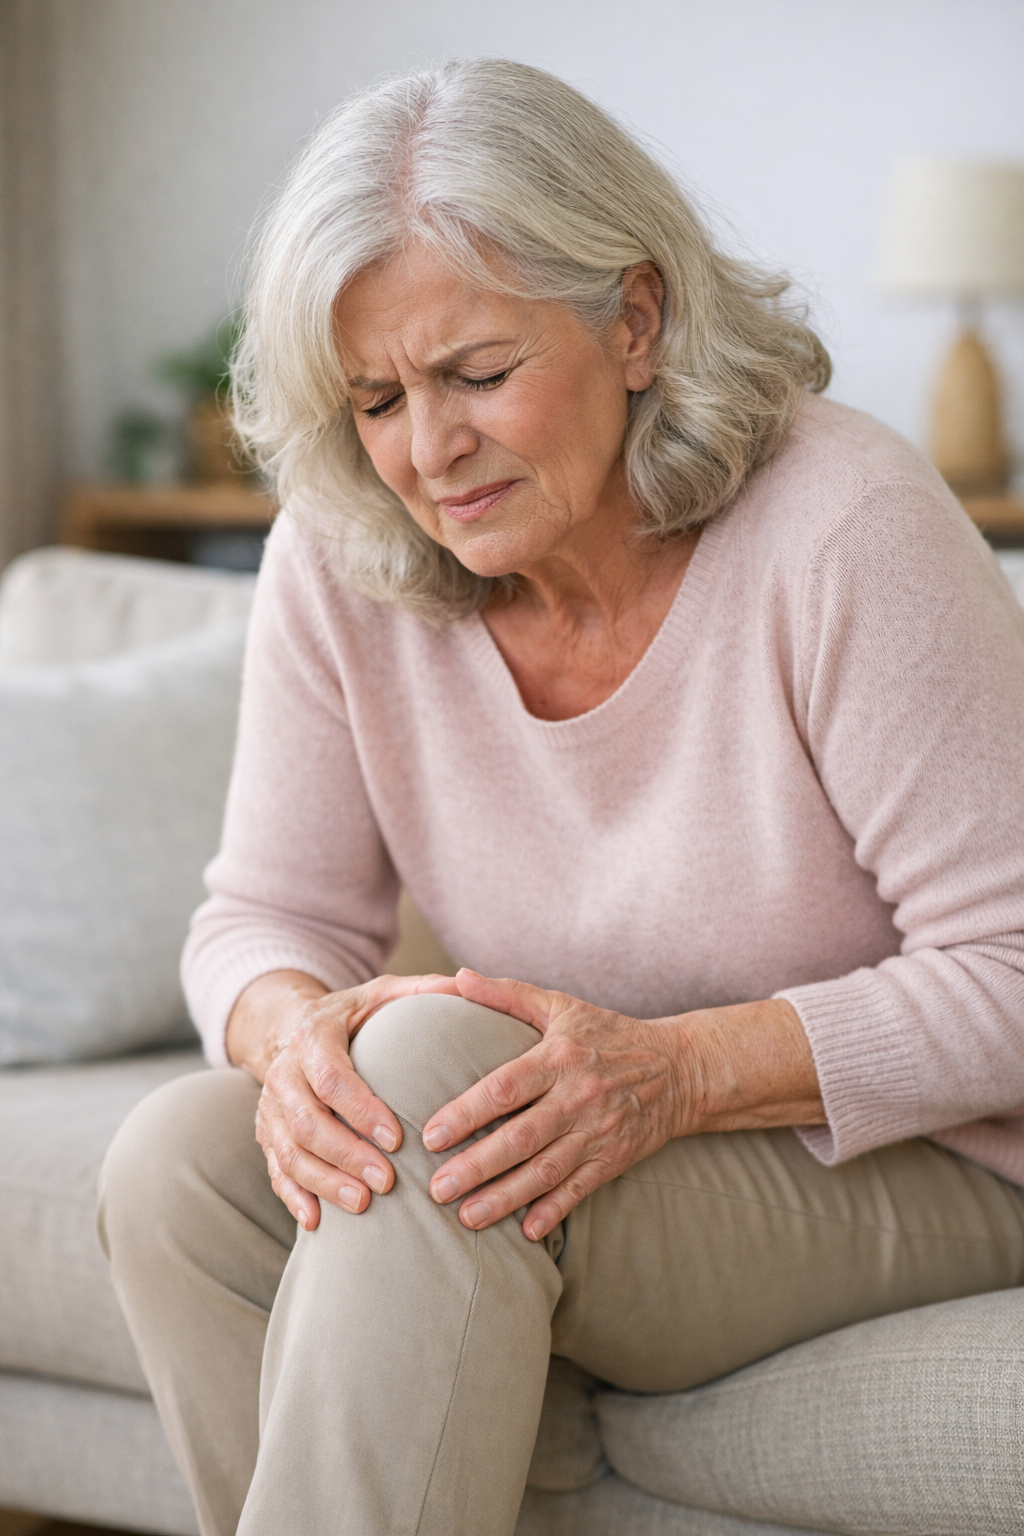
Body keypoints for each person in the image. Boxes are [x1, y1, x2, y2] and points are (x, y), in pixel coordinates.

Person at [98, 59, 1024, 1536]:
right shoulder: (345, 554)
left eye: (477, 375)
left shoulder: (844, 527)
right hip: (571, 1132)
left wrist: (680, 1069)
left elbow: (1014, 976)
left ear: (636, 321)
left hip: (923, 1166)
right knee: (176, 1172)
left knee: (430, 1086)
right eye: (379, 400)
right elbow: (261, 917)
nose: (428, 452)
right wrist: (293, 1048)